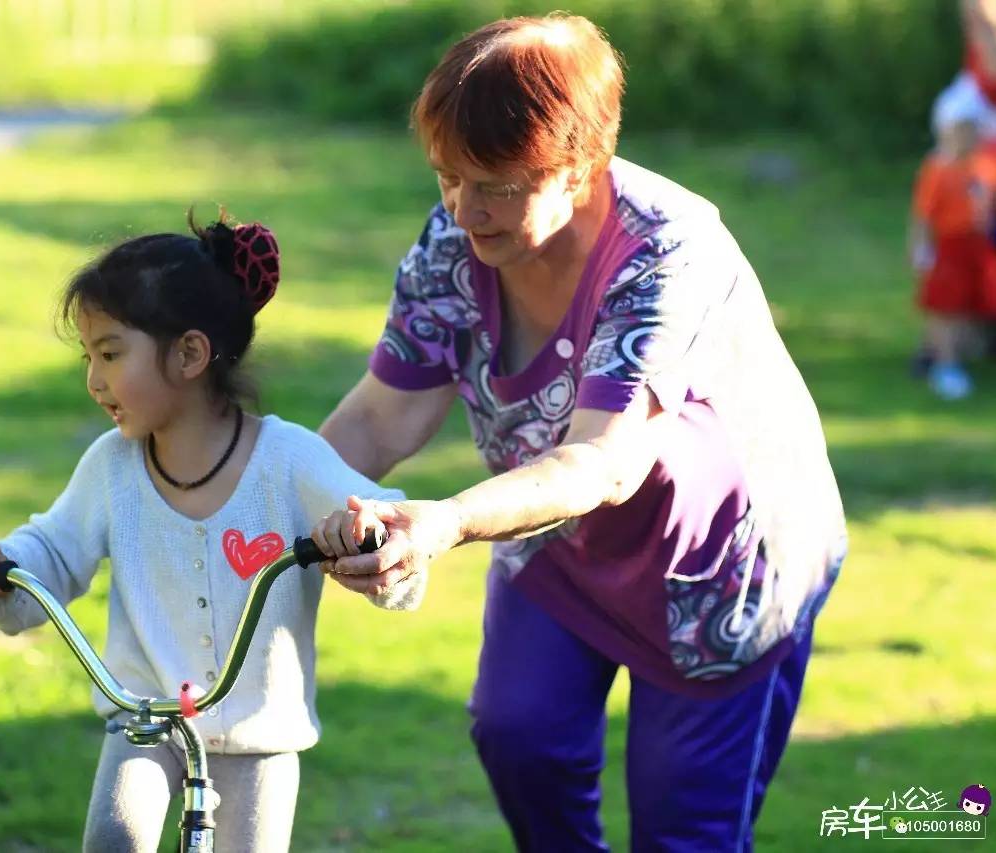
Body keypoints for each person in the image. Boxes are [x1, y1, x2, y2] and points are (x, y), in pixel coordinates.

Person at [315, 15, 847, 852]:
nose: (464, 208)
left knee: (685, 829)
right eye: (449, 176)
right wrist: (259, 490)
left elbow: (603, 462)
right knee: (519, 739)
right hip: (561, 544)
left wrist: (446, 520)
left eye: (496, 183)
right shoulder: (454, 240)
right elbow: (387, 412)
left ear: (584, 165)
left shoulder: (667, 253)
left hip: (718, 566)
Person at [0, 213, 423, 853]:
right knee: (115, 841)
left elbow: (391, 525)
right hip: (144, 724)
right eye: (90, 358)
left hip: (259, 735)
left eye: (110, 354)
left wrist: (367, 533)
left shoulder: (288, 461)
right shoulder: (111, 468)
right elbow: (53, 553)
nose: (93, 380)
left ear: (190, 354)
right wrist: (3, 565)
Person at [909, 104, 996, 398]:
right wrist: (920, 248)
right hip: (949, 245)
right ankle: (944, 364)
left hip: (979, 246)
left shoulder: (988, 164)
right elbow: (923, 215)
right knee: (945, 307)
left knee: (973, 306)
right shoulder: (939, 169)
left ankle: (956, 359)